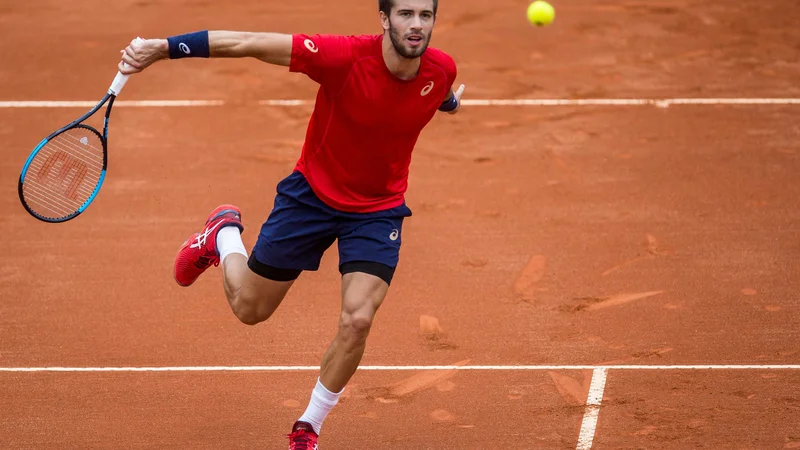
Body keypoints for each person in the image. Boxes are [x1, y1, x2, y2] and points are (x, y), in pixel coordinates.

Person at [118, 0, 464, 447]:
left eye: (425, 15)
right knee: (250, 310)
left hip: (378, 210)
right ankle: (223, 234)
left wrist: (451, 103)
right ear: (384, 19)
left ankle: (308, 426)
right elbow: (248, 43)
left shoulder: (441, 71)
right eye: (404, 14)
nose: (416, 25)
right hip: (311, 199)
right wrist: (163, 48)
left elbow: (440, 91)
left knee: (358, 319)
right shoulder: (342, 57)